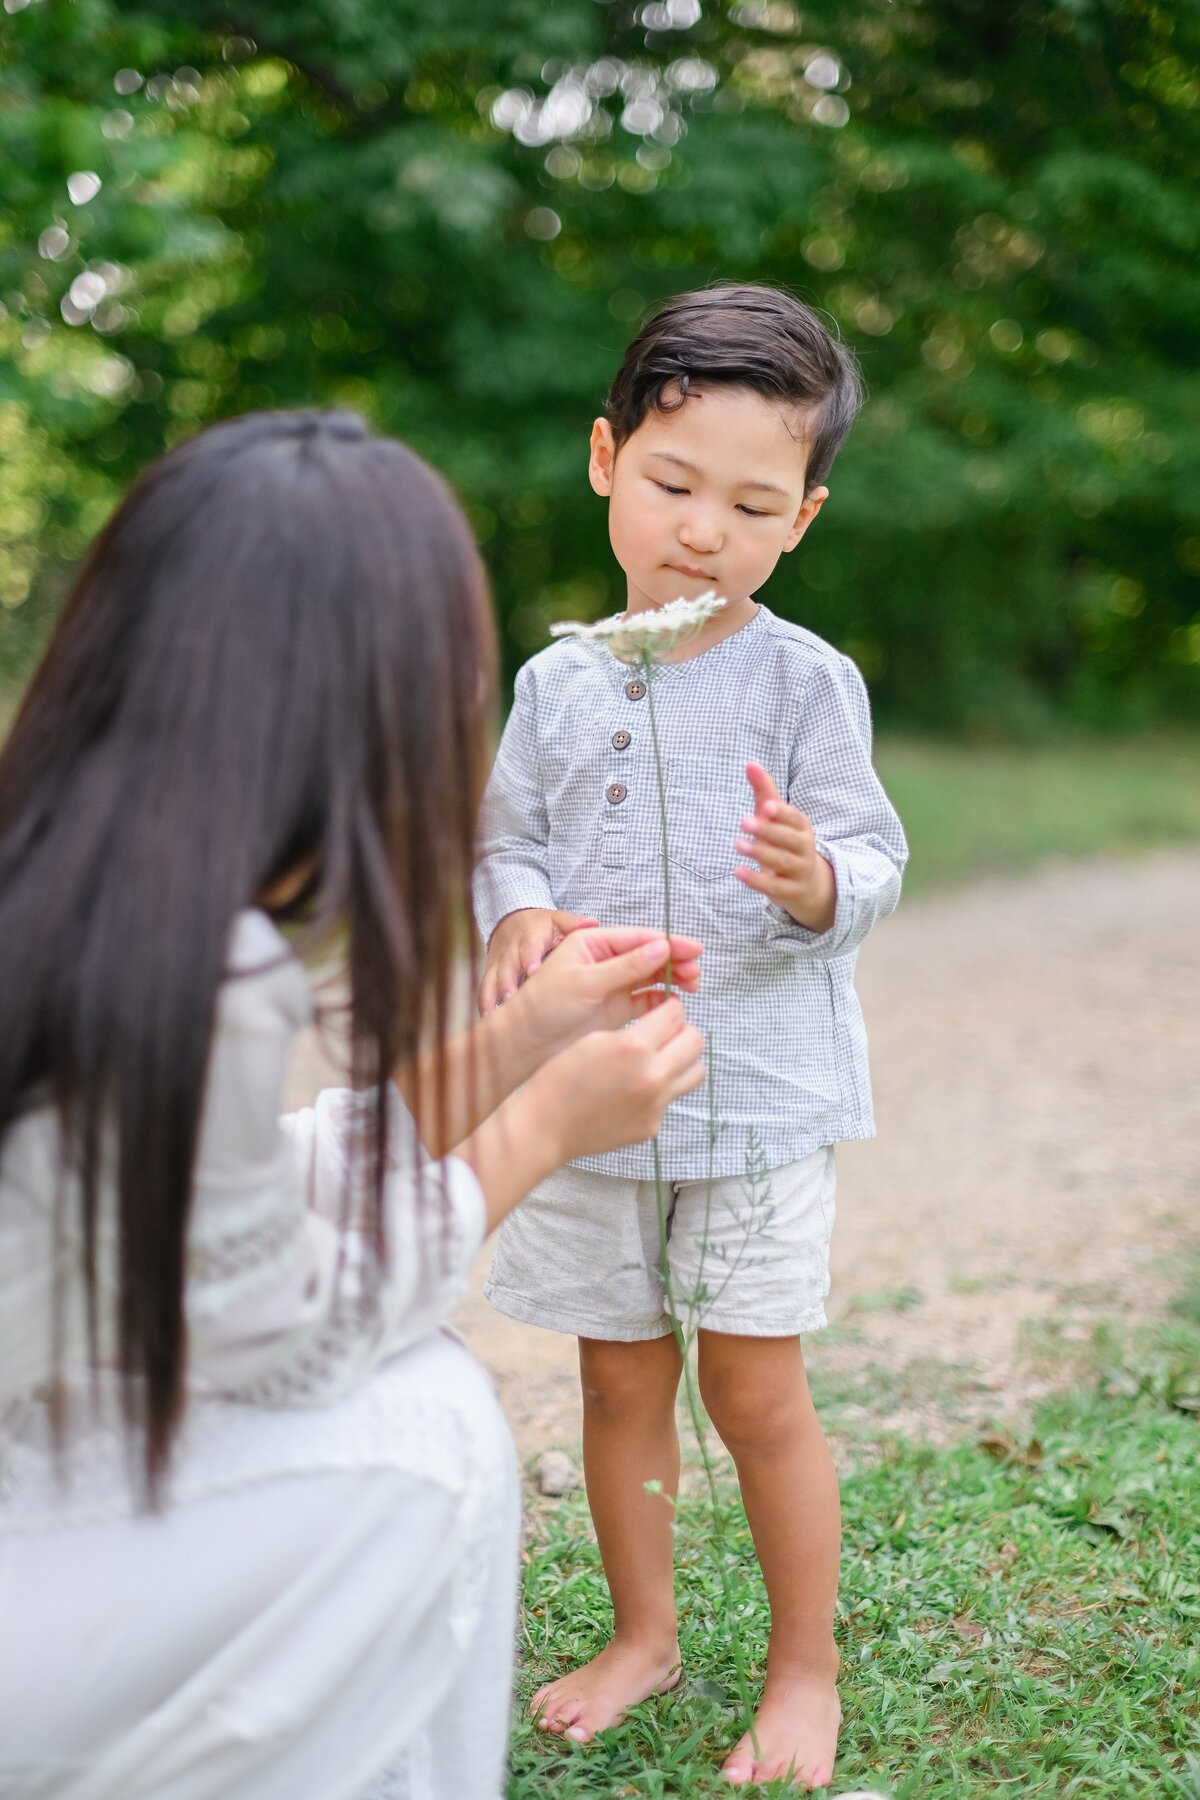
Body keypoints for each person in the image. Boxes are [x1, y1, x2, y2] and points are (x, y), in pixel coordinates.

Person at [0, 408, 707, 1800]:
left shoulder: (70, 897)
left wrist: (523, 1038)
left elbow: (221, 1207)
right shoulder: (189, 979)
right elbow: (294, 1326)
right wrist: (546, 1126)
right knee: (419, 1437)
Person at [474, 285, 909, 1789]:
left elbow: (873, 858)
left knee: (754, 1389)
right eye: (673, 485)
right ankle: (643, 1631)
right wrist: (516, 917)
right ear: (607, 462)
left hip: (761, 1100)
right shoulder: (558, 679)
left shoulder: (805, 683)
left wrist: (818, 884)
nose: (703, 532)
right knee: (614, 1376)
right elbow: (506, 842)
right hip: (602, 1100)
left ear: (803, 518)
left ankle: (806, 1669)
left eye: (752, 503)